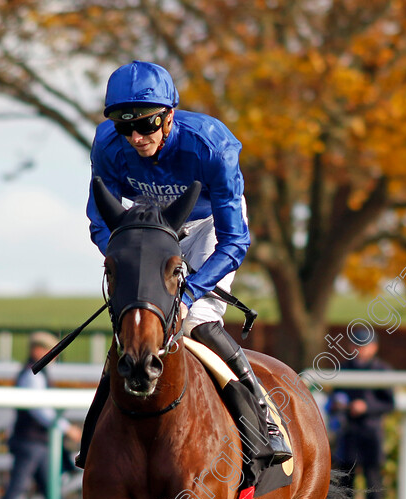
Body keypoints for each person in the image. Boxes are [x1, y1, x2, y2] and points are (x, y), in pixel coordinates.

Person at [76, 59, 291, 468]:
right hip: (149, 230)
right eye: (126, 127)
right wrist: (129, 265)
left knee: (192, 321)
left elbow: (234, 240)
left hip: (211, 226)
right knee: (137, 322)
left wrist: (190, 290)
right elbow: (99, 222)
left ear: (170, 115)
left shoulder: (212, 144)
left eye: (148, 125)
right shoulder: (106, 145)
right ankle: (93, 439)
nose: (137, 138)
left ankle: (263, 419)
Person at [0, 332, 84, 499]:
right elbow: (40, 410)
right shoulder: (32, 374)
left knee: (49, 486)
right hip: (30, 441)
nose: (53, 358)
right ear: (37, 350)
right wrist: (66, 428)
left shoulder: (34, 373)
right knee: (20, 483)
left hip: (38, 441)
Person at [328, 328, 394, 499]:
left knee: (373, 481)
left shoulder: (382, 370)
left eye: (363, 345)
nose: (359, 350)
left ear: (374, 347)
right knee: (346, 483)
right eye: (355, 345)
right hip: (348, 432)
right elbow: (333, 401)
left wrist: (367, 407)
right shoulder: (343, 368)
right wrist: (338, 406)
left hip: (371, 433)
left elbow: (389, 404)